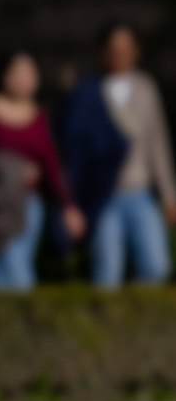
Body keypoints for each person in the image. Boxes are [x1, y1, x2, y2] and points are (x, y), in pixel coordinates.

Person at [60, 23, 176, 289]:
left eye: (125, 48)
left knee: (156, 265)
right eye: (113, 49)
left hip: (140, 191)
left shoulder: (146, 88)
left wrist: (169, 193)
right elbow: (76, 147)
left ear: (136, 51)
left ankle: (139, 314)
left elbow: (158, 143)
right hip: (104, 194)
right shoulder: (89, 90)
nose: (119, 54)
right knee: (107, 272)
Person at [0, 51, 84, 290]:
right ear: (4, 76)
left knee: (12, 262)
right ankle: (24, 312)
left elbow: (51, 164)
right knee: (7, 266)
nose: (23, 79)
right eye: (17, 73)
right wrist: (10, 171)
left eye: (29, 73)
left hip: (30, 204)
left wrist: (67, 205)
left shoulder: (39, 116)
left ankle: (8, 313)